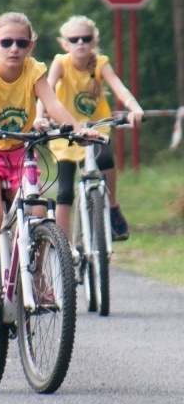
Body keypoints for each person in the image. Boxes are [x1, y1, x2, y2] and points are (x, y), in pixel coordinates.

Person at [0, 12, 98, 326]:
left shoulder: (34, 72)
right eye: (6, 42)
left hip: (22, 152)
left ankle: (36, 281)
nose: (13, 49)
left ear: (31, 45)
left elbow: (54, 104)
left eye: (21, 42)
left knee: (37, 214)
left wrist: (77, 128)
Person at [42, 15, 144, 241]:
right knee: (65, 192)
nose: (80, 43)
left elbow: (119, 87)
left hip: (96, 129)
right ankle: (63, 246)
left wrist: (134, 108)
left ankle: (112, 206)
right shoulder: (61, 63)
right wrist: (40, 117)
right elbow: (46, 92)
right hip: (66, 133)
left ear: (94, 42)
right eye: (74, 39)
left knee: (106, 159)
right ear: (65, 43)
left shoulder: (100, 64)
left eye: (86, 39)